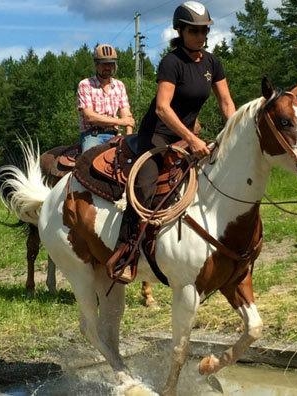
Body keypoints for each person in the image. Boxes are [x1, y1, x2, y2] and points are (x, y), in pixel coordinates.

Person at [106, 1, 236, 281]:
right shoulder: (172, 62)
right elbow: (162, 108)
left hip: (186, 135)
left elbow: (226, 103)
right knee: (145, 188)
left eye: (204, 31)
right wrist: (191, 138)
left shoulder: (213, 63)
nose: (200, 36)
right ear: (180, 30)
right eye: (194, 31)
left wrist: (234, 132)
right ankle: (126, 254)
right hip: (157, 135)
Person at [77, 43, 135, 152]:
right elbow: (90, 117)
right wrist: (121, 122)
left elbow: (127, 115)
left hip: (115, 134)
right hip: (92, 135)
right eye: (104, 64)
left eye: (111, 64)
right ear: (96, 65)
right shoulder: (85, 84)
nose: (108, 67)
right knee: (89, 161)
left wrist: (129, 136)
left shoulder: (119, 85)